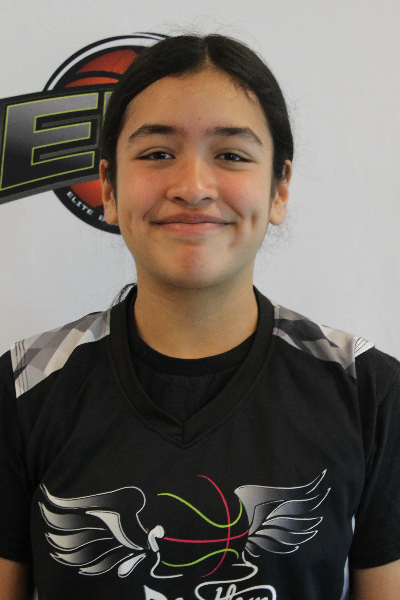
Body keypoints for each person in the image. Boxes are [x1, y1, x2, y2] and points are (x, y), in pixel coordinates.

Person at [0, 34, 399, 600]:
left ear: (279, 187)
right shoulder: (23, 388)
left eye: (231, 155)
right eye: (157, 154)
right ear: (108, 187)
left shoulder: (369, 393)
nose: (192, 187)